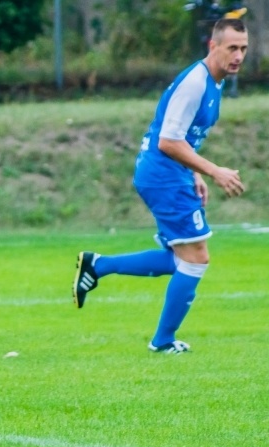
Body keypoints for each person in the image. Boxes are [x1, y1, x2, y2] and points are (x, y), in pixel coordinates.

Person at [72, 18, 248, 354]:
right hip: (163, 175)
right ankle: (163, 341)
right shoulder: (195, 83)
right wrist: (214, 171)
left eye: (243, 48)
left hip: (170, 173)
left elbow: (182, 136)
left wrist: (194, 173)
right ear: (213, 46)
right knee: (196, 259)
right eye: (232, 48)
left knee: (179, 259)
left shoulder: (215, 81)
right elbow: (168, 141)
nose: (238, 56)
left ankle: (97, 265)